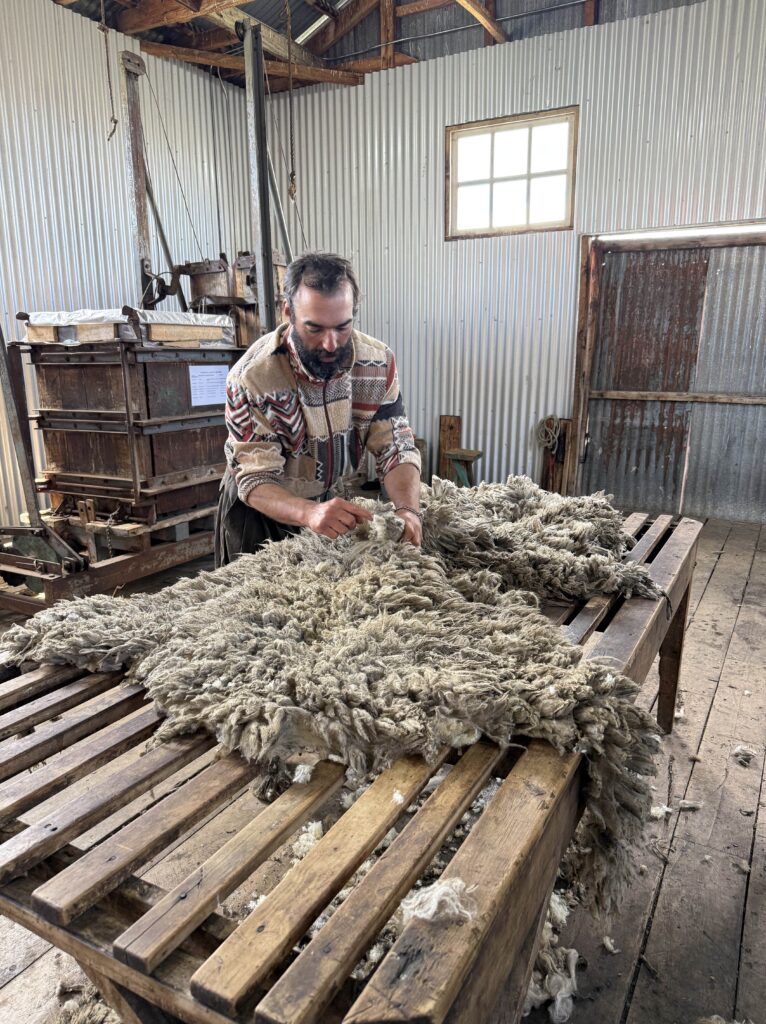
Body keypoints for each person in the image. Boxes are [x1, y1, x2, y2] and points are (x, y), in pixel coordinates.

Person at [215, 252, 422, 566]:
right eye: (315, 328)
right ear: (288, 312)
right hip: (259, 510)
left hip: (326, 498)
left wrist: (408, 510)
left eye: (342, 327)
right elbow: (255, 479)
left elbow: (396, 446)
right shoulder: (251, 378)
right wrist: (308, 512)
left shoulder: (377, 363)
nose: (330, 344)